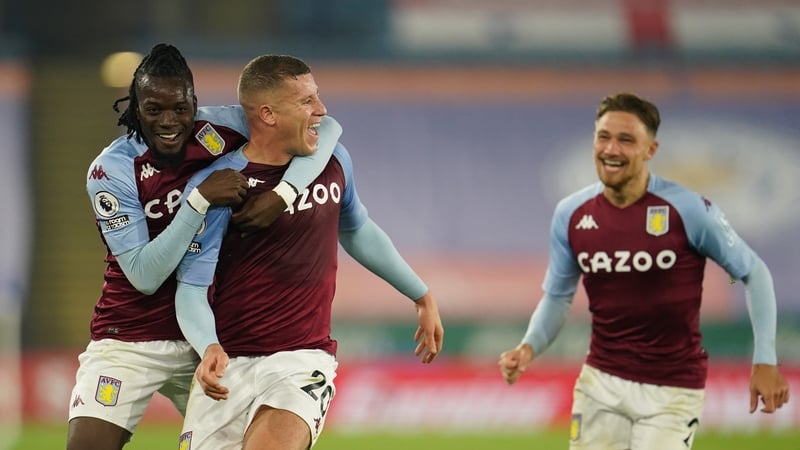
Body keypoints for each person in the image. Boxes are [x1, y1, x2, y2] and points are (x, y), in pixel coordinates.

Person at [67, 43, 342, 450]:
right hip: (130, 333)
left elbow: (329, 128)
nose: (168, 121)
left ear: (194, 102)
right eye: (153, 109)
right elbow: (144, 277)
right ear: (134, 108)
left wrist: (284, 193)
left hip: (208, 338)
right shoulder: (112, 170)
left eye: (180, 108)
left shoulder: (219, 130)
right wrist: (198, 201)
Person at [173, 54, 444, 450]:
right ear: (267, 114)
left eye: (317, 97)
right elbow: (192, 287)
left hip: (301, 360)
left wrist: (421, 294)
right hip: (230, 364)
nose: (321, 110)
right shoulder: (219, 186)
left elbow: (357, 229)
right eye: (306, 102)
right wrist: (208, 346)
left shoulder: (332, 161)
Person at [498, 92, 790, 449]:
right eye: (603, 137)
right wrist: (528, 347)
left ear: (651, 149)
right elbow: (558, 296)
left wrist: (765, 361)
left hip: (672, 390)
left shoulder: (689, 210)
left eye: (626, 140)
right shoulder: (571, 214)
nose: (611, 149)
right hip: (600, 385)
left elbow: (755, 273)